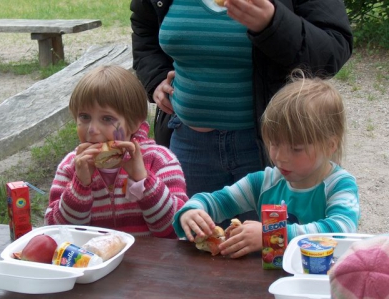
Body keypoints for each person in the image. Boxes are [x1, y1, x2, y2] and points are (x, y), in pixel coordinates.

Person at [130, 0, 354, 203]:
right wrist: (156, 77)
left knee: (275, 241)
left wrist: (273, 24)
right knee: (194, 240)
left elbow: (333, 50)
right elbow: (144, 27)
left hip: (273, 147)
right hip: (188, 144)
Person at [172, 72, 360, 258]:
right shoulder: (263, 182)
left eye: (296, 149)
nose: (280, 158)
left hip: (320, 283)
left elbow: (341, 231)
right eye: (274, 144)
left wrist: (271, 235)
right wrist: (191, 212)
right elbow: (219, 201)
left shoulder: (340, 185)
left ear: (330, 145)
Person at [44, 65, 188, 238]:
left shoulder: (160, 160)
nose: (92, 129)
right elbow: (57, 232)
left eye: (107, 119)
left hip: (149, 263)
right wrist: (80, 186)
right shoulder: (71, 165)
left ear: (134, 123)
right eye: (84, 117)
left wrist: (144, 180)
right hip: (93, 262)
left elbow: (174, 229)